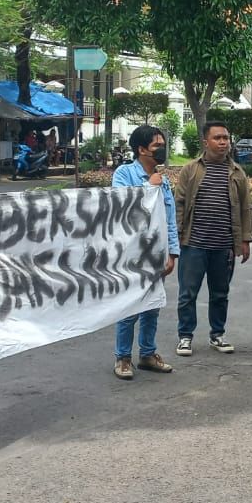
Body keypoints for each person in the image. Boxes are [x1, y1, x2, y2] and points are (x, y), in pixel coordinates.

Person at [173, 120, 252, 356]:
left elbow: (246, 207)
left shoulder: (237, 172)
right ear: (205, 142)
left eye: (226, 138)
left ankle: (217, 334)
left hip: (224, 246)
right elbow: (179, 203)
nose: (223, 142)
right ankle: (185, 336)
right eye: (217, 138)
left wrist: (245, 240)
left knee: (220, 293)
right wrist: (176, 236)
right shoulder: (191, 169)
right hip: (194, 243)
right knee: (188, 293)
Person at [110, 124, 179, 380]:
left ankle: (148, 354)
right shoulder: (124, 174)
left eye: (162, 144)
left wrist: (172, 253)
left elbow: (170, 218)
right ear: (141, 149)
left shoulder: (165, 181)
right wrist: (148, 188)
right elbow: (120, 210)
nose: (161, 149)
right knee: (129, 307)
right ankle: (123, 357)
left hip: (157, 253)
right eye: (156, 145)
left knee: (152, 306)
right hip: (132, 254)